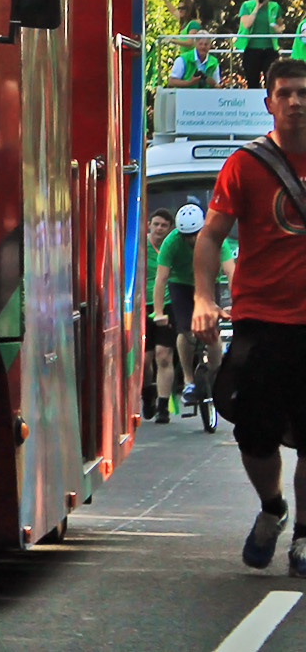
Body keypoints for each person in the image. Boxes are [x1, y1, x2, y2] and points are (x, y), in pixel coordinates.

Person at [191, 58, 306, 574]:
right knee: (253, 430)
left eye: (304, 93)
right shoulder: (247, 163)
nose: (296, 102)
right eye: (285, 93)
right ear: (270, 103)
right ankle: (272, 508)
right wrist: (202, 297)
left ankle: (304, 536)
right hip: (261, 317)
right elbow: (211, 234)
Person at [157, 201, 235, 416]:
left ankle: (217, 374)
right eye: (186, 236)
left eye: (195, 235)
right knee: (186, 330)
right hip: (180, 284)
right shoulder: (172, 242)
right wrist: (159, 312)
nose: (191, 241)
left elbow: (230, 271)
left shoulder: (216, 238)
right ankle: (189, 380)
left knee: (212, 331)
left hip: (208, 281)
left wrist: (237, 300)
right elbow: (161, 278)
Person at [145, 210, 178, 423]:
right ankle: (147, 394)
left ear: (169, 228)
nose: (159, 228)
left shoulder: (173, 247)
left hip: (167, 305)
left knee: (163, 355)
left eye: (163, 225)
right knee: (145, 359)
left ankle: (163, 406)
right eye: (155, 224)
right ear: (149, 225)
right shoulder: (139, 247)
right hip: (141, 306)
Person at [237, 0, 284, 89]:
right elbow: (247, 24)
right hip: (252, 48)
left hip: (270, 48)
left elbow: (281, 26)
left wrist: (278, 29)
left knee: (271, 80)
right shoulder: (247, 5)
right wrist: (257, 8)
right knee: (252, 80)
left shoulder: (275, 6)